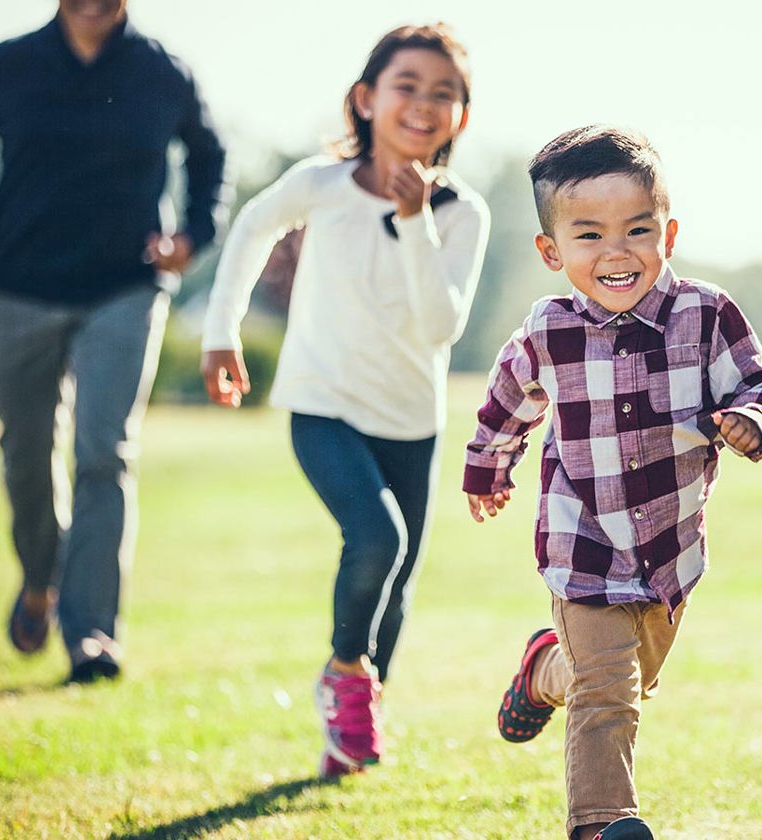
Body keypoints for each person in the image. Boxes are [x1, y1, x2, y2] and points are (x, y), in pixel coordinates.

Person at [464, 125, 762, 840]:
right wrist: (488, 467)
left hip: (670, 551)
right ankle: (602, 823)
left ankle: (542, 672)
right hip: (582, 543)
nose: (617, 252)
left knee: (624, 683)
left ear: (668, 234)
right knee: (609, 695)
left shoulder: (705, 314)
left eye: (637, 230)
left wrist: (751, 420)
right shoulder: (548, 330)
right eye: (589, 235)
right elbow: (507, 402)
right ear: (552, 251)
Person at [200, 23, 488, 779]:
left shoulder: (462, 213)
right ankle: (343, 675)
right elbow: (251, 229)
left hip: (412, 420)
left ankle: (351, 728)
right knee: (376, 539)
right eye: (406, 85)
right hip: (322, 404)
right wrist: (221, 333)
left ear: (460, 115)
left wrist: (415, 220)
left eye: (443, 92)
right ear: (365, 99)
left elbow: (441, 325)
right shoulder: (319, 186)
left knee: (396, 586)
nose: (423, 103)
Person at [0, 0, 228, 684]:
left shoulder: (163, 73)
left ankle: (91, 633)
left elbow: (211, 160)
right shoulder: (7, 66)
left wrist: (192, 235)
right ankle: (41, 579)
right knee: (24, 454)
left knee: (103, 453)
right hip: (22, 289)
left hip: (125, 288)